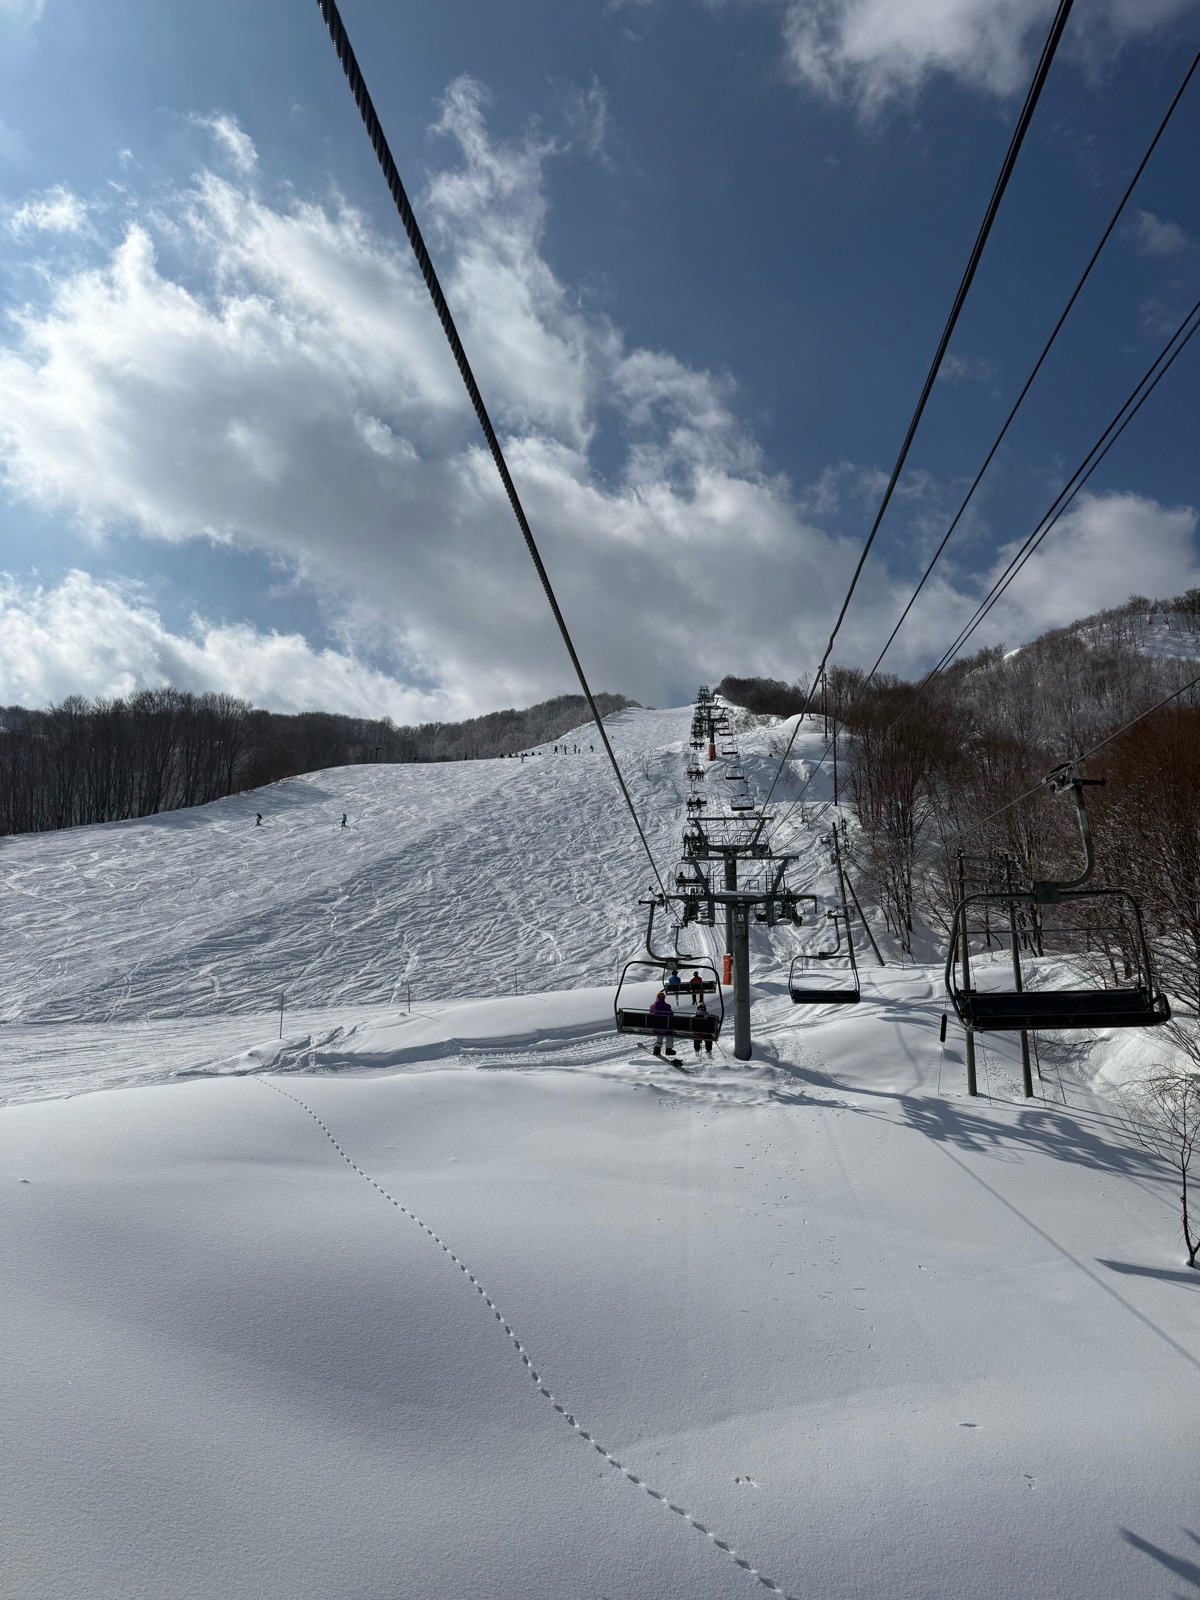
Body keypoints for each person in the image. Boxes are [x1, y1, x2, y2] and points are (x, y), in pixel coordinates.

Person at [648, 990, 676, 1057]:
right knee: (668, 1030)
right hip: (665, 1028)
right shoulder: (667, 1006)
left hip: (656, 1028)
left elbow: (650, 1016)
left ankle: (657, 1048)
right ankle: (668, 1049)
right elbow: (671, 1016)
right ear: (664, 998)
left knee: (659, 1028)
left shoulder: (652, 1006)